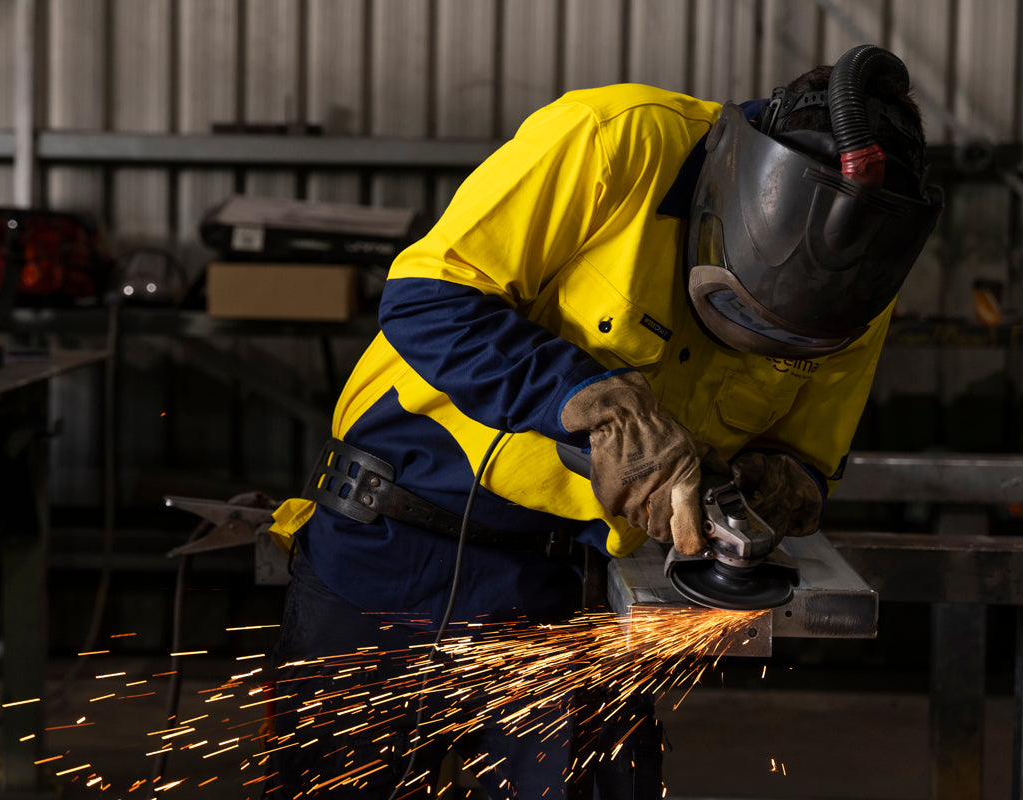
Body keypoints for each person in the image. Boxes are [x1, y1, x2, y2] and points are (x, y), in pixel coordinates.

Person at [260, 44, 942, 799]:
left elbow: (804, 460)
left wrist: (760, 494)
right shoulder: (616, 138)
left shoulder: (859, 285)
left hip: (576, 587)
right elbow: (428, 301)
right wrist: (606, 407)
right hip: (397, 543)